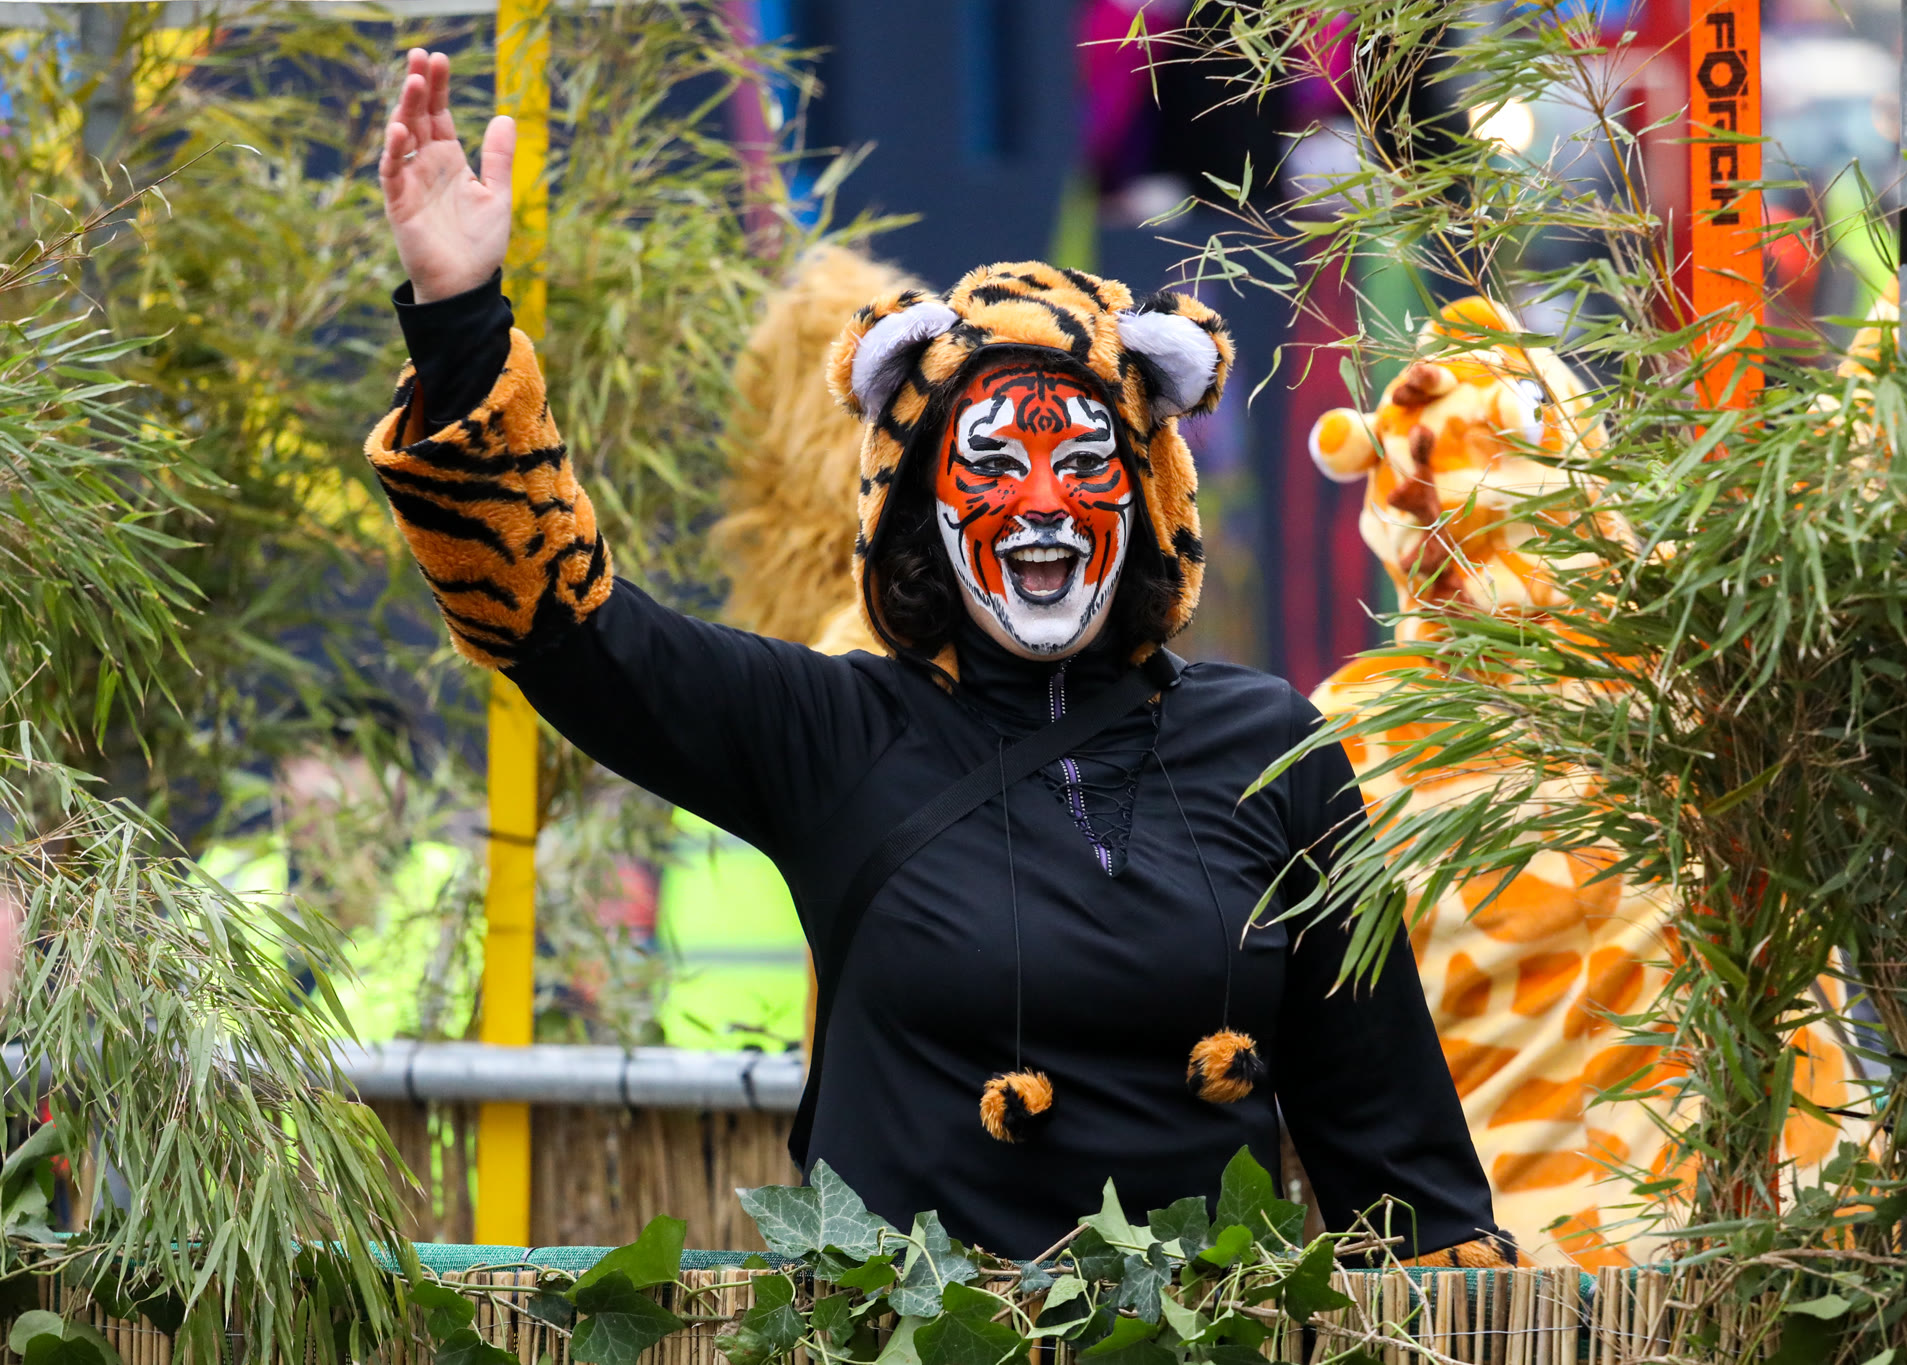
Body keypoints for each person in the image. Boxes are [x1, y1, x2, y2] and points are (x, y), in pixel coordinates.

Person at [367, 48, 1502, 1262]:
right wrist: (461, 324)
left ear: (1148, 498)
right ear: (918, 505)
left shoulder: (1270, 748)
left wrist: (1467, 1302)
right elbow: (566, 629)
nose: (1043, 508)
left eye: (1085, 466)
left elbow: (1394, 1154)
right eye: (995, 467)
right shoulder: (838, 734)